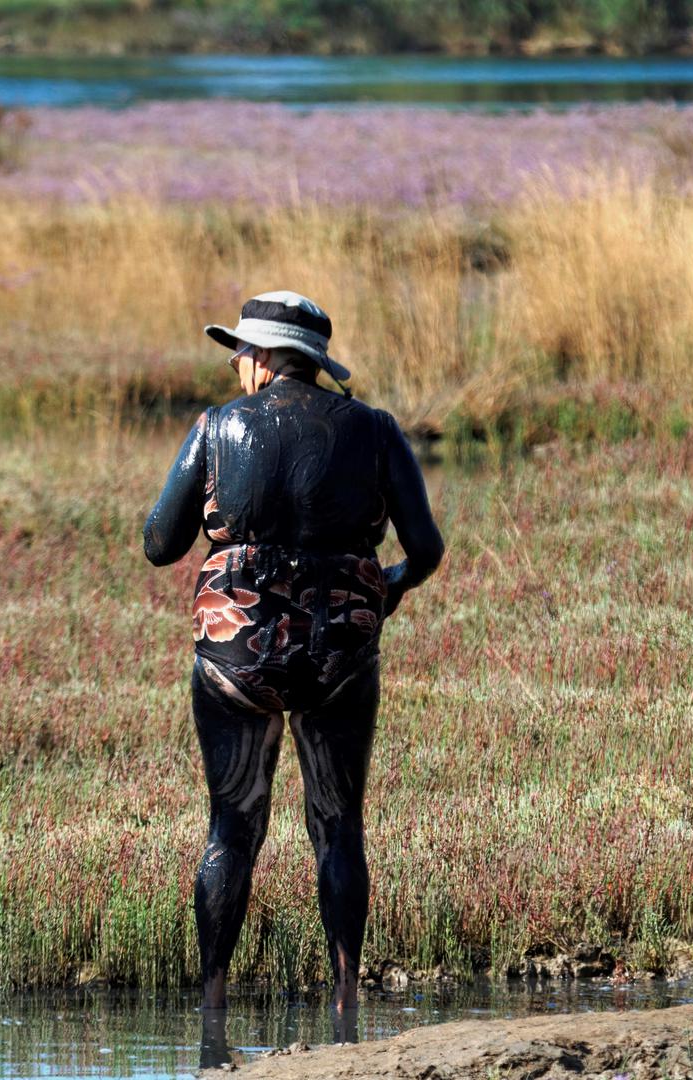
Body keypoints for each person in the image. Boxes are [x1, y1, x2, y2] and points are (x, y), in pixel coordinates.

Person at [144, 291, 444, 1021]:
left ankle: (213, 1008)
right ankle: (345, 997)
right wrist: (383, 590)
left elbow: (159, 544)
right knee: (338, 825)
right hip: (337, 651)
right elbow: (425, 549)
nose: (236, 363)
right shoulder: (374, 429)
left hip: (233, 657)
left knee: (231, 829)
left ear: (268, 356)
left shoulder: (215, 426)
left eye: (241, 351)